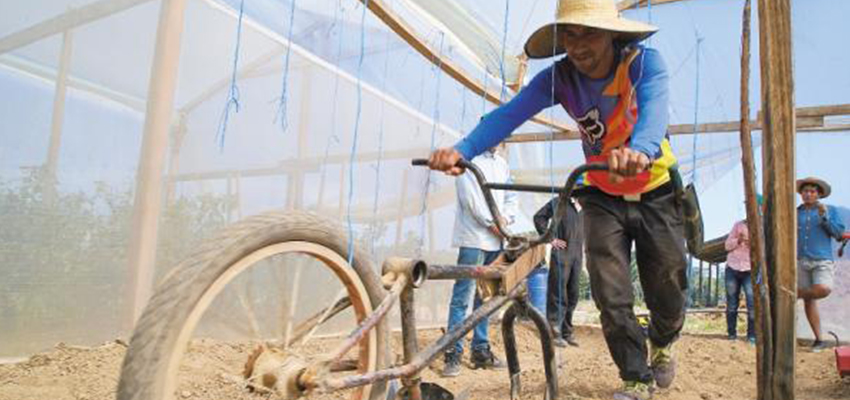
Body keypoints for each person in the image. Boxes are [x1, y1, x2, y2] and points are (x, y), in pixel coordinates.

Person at [427, 0, 686, 398]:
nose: (579, 45)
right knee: (609, 290)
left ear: (612, 34)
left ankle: (664, 340)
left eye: (590, 33)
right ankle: (635, 376)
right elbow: (508, 115)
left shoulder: (643, 63)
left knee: (667, 282)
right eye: (571, 34)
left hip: (655, 188)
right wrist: (463, 150)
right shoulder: (560, 78)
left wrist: (641, 150)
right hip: (600, 191)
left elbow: (653, 111)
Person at [442, 144, 515, 377]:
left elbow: (511, 196)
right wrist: (492, 222)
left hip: (496, 241)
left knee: (486, 295)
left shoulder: (502, 164)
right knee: (463, 296)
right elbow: (469, 199)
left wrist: (506, 220)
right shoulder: (468, 158)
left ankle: (480, 350)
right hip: (473, 237)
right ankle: (453, 352)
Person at [796, 177, 845, 352]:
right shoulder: (796, 213)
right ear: (801, 194)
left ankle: (794, 294)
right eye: (805, 191)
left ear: (819, 194)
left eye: (812, 191)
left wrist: (824, 218)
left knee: (824, 289)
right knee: (810, 300)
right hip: (800, 259)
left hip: (822, 258)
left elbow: (839, 234)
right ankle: (819, 340)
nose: (808, 194)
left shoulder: (829, 210)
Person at [534, 196, 584, 347]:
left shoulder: (587, 205)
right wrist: (550, 238)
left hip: (578, 253)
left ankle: (567, 332)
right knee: (558, 292)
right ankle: (554, 332)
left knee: (573, 294)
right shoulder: (559, 202)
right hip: (561, 252)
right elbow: (539, 217)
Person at [724, 217, 756, 344]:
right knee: (732, 303)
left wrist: (752, 244)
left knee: (752, 302)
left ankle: (752, 335)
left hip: (750, 269)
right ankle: (731, 334)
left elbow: (766, 248)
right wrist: (739, 240)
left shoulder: (762, 227)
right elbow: (726, 246)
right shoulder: (738, 225)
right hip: (732, 268)